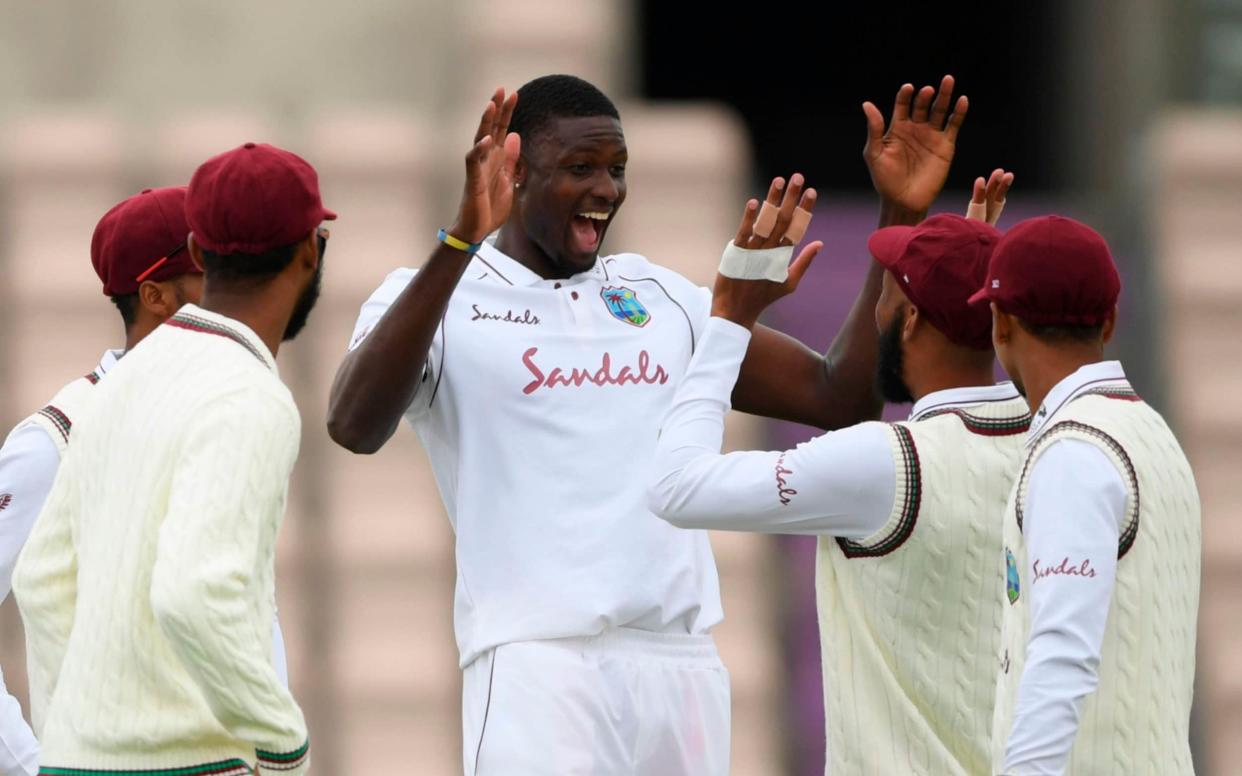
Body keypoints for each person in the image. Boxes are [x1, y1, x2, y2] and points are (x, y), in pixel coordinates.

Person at [326, 73, 966, 774]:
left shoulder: (660, 298)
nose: (607, 189)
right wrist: (460, 243)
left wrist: (898, 216)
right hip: (540, 666)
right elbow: (354, 425)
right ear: (514, 171)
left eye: (617, 169)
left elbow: (839, 398)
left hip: (680, 665)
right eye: (580, 168)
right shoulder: (440, 295)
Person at [646, 168, 1024, 774]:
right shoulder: (1060, 439)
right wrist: (967, 273)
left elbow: (675, 488)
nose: (875, 302)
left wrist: (728, 320)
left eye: (890, 291)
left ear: (909, 319)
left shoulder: (878, 460)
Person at [12, 142, 330, 776]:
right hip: (192, 763)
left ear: (203, 252)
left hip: (80, 761)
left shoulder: (110, 389)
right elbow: (192, 594)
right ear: (309, 251)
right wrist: (283, 745)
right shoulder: (249, 394)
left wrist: (73, 744)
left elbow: (42, 581)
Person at [976, 216, 1200, 774]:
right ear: (1110, 320)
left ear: (1001, 324)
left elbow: (1063, 655)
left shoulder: (1072, 452)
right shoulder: (1153, 432)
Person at [0, 186, 205, 776]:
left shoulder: (224, 421)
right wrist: (30, 767)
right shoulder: (56, 440)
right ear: (155, 295)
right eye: (212, 275)